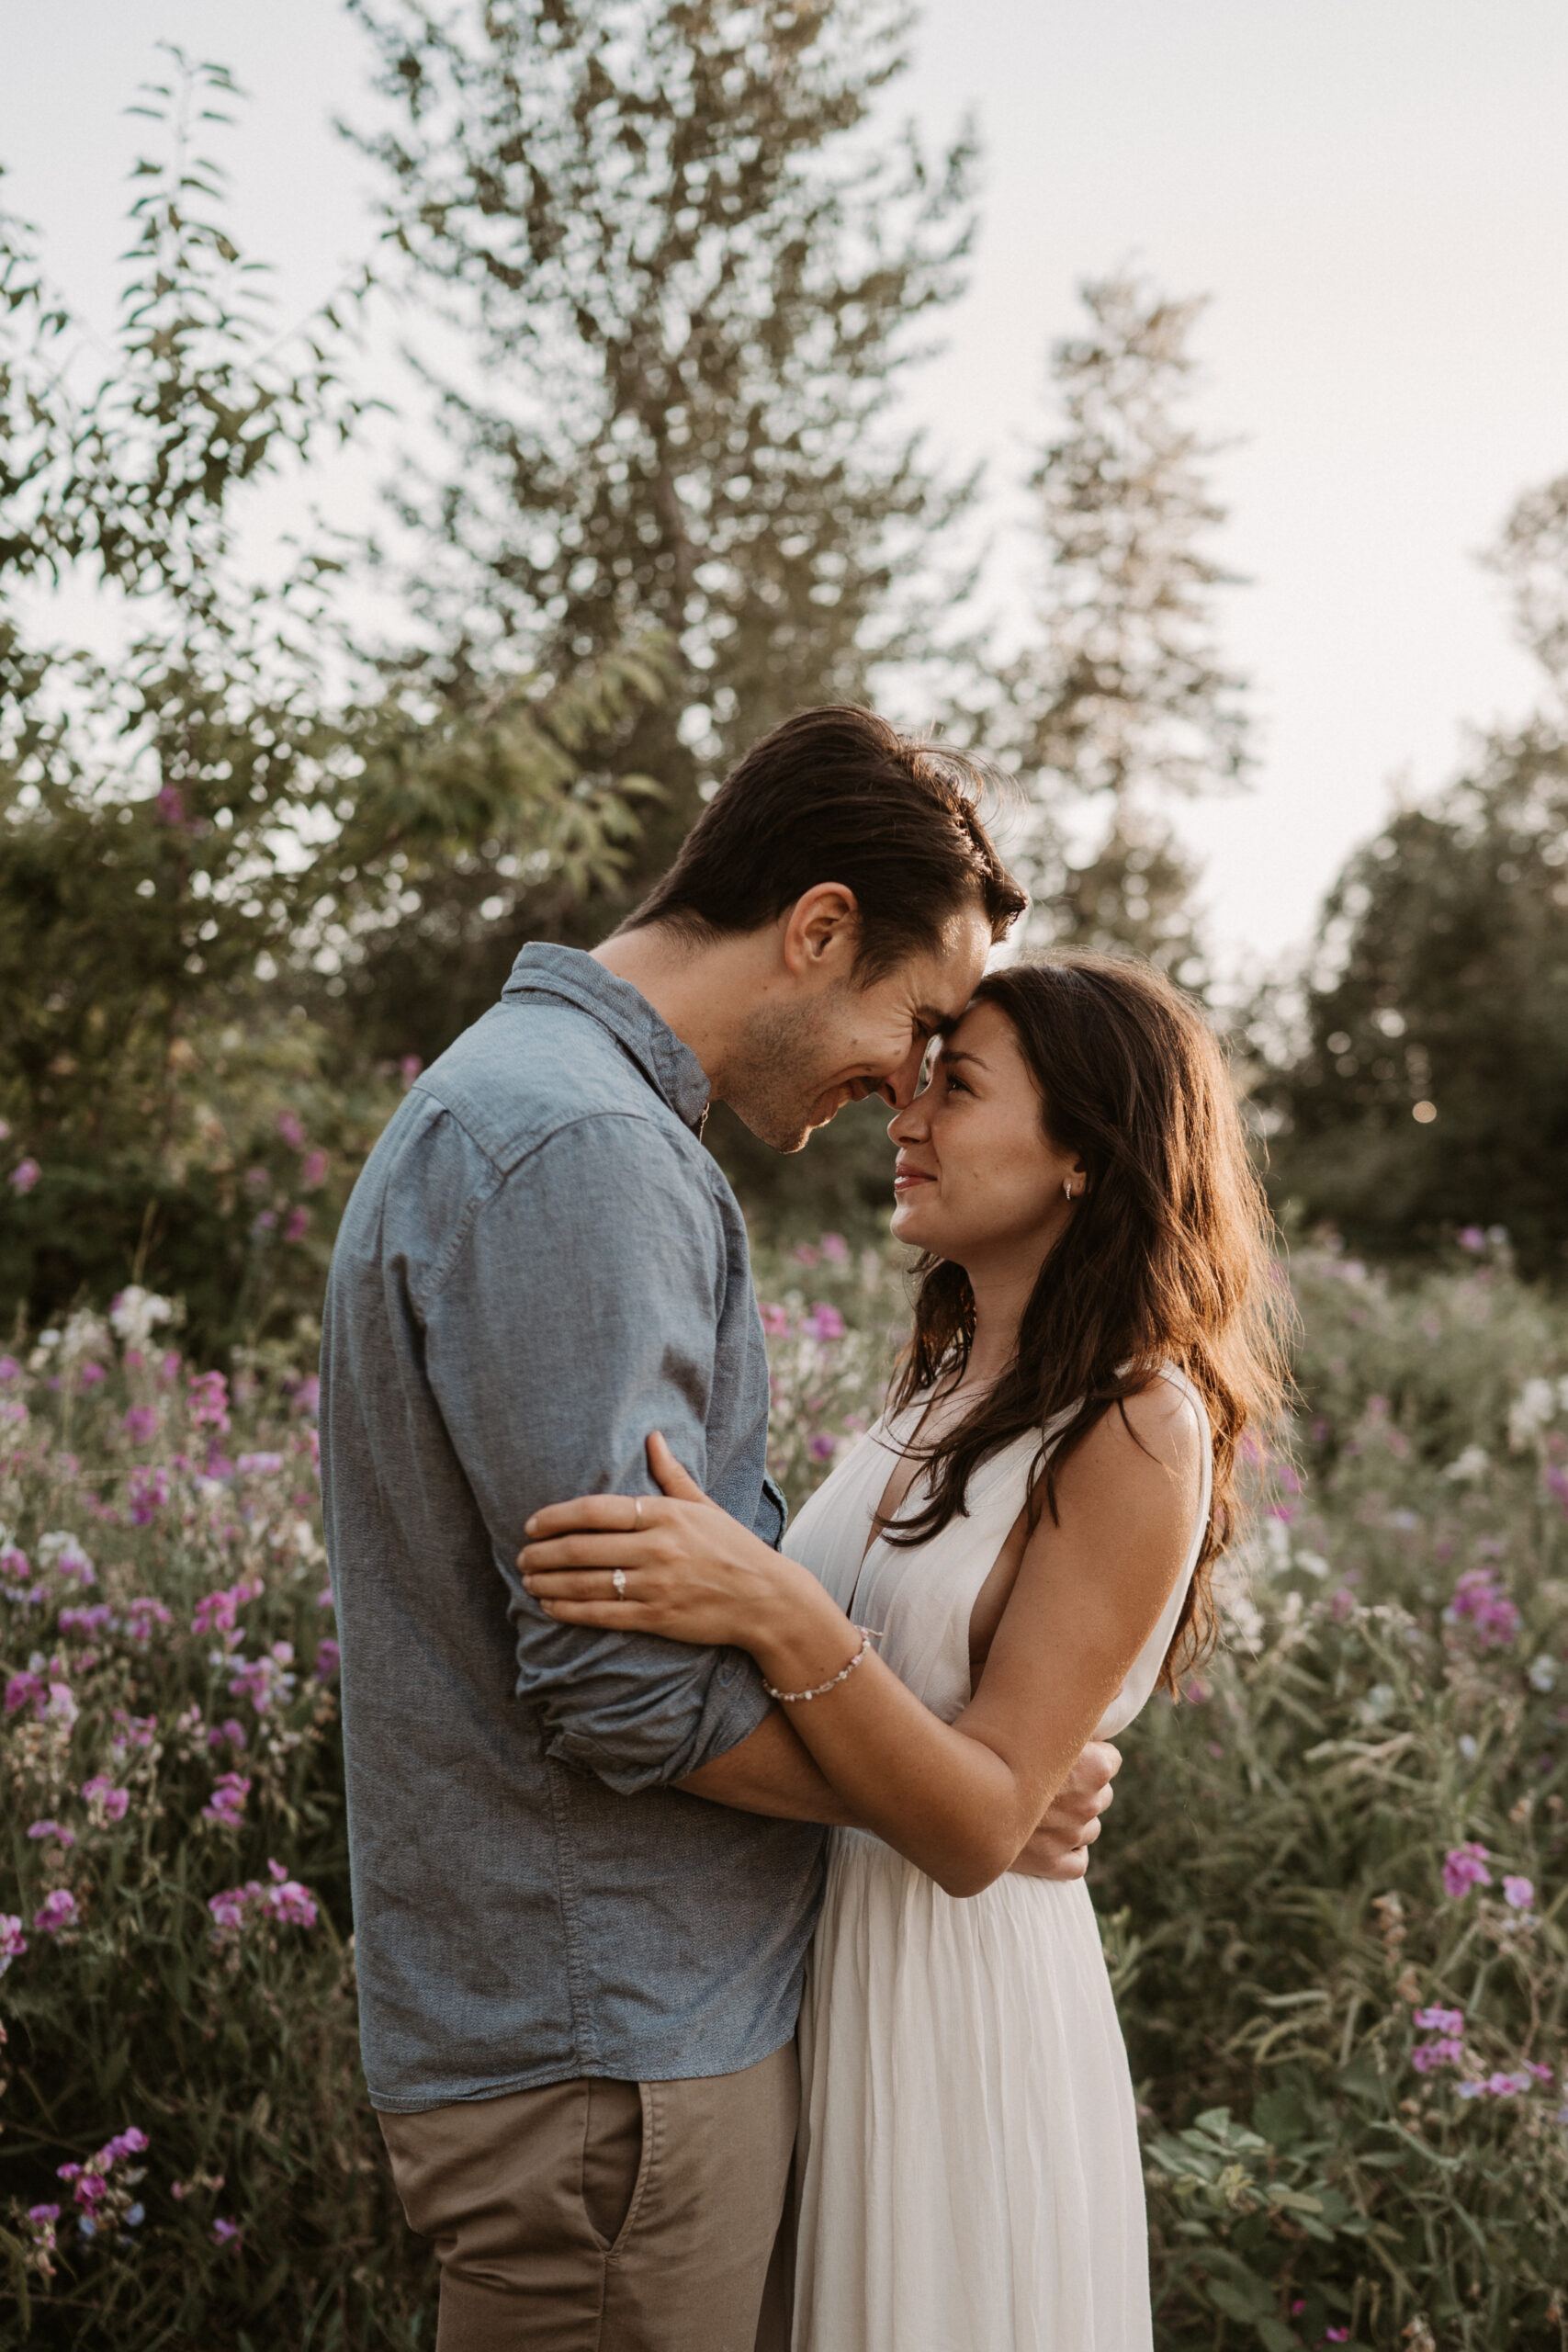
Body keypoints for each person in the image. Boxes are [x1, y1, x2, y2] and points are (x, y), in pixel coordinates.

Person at [319, 707, 1121, 2352]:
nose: (907, 1082)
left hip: (603, 2042)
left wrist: (969, 1763)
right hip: (612, 2056)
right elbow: (622, 1689)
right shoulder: (588, 1152)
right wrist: (951, 1801)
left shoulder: (532, 1108)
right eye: (915, 1024)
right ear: (817, 928)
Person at [521, 955, 1289, 2351]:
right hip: (815, 1975)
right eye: (918, 1085)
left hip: (960, 2013)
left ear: (1083, 1156)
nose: (906, 1119)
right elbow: (949, 1750)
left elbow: (977, 1822)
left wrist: (776, 1607)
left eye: (961, 1090)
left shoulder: (1137, 1428)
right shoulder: (939, 1391)